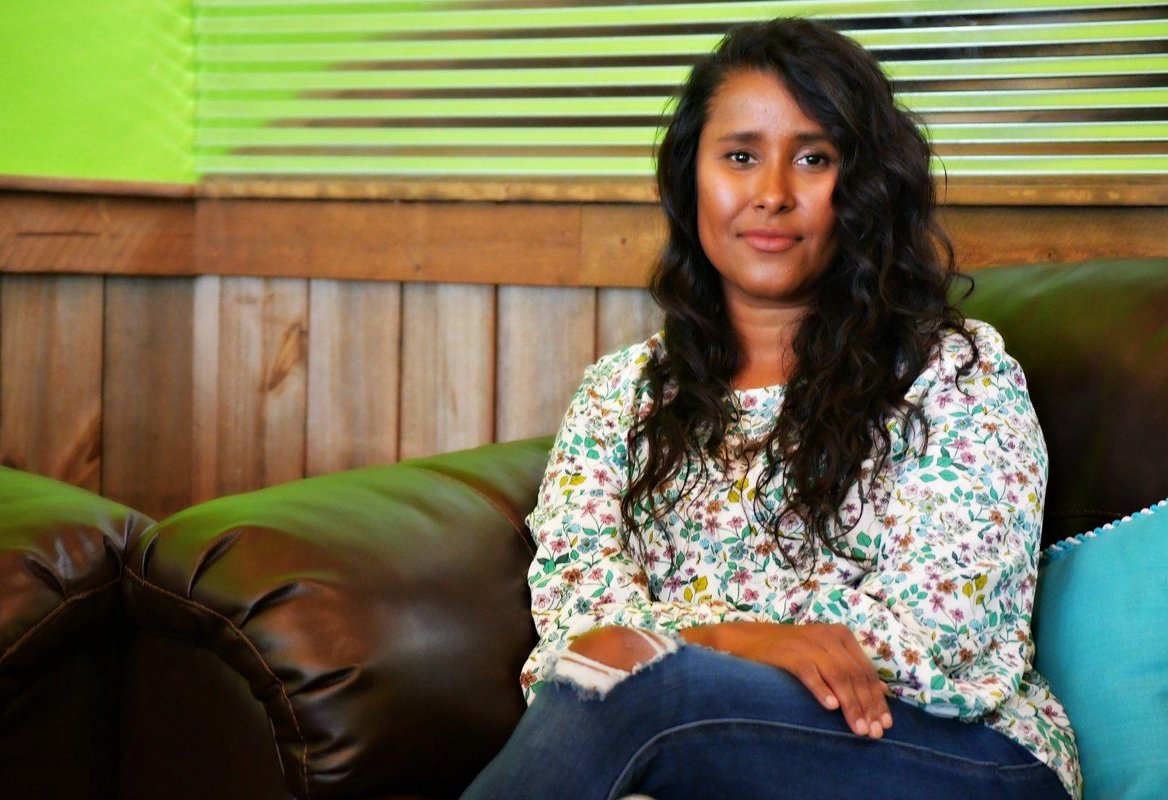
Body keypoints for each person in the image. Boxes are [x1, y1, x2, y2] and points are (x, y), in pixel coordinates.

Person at [462, 17, 1079, 800]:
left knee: (645, 689)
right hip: (711, 753)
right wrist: (739, 640)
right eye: (740, 156)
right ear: (693, 179)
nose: (772, 194)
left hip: (950, 754)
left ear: (860, 187)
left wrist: (690, 655)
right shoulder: (620, 396)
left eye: (814, 158)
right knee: (629, 684)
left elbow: (948, 636)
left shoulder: (953, 374)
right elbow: (575, 635)